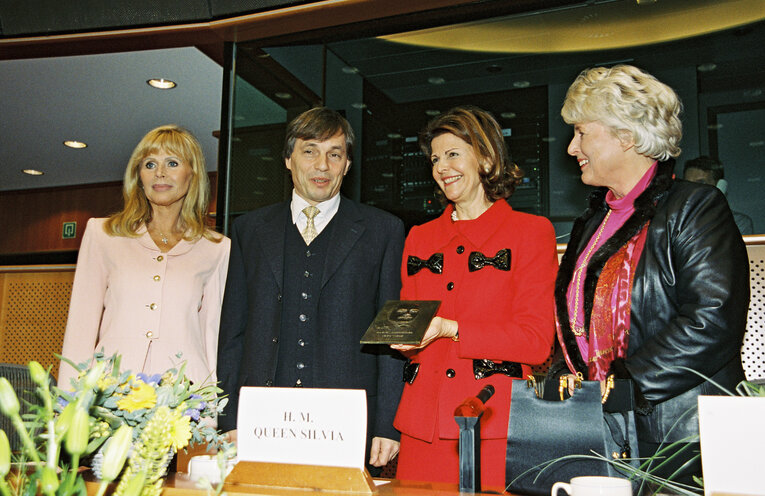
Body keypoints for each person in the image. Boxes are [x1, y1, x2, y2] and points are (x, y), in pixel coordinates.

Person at [553, 65, 749, 485]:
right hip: (604, 434)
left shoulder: (695, 207)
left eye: (582, 133)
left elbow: (712, 319)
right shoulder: (591, 222)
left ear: (626, 135)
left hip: (678, 438)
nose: (572, 147)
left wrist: (624, 383)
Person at [216, 107, 405, 470]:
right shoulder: (248, 231)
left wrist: (387, 424)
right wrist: (230, 417)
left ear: (347, 165)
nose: (322, 165)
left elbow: (390, 341)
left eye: (335, 154)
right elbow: (233, 334)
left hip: (347, 424)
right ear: (288, 159)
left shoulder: (383, 231)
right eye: (310, 151)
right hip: (263, 420)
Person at [392, 106, 558, 487]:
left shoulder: (530, 233)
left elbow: (536, 343)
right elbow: (413, 331)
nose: (441, 167)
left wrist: (451, 328)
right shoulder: (419, 237)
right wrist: (404, 339)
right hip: (423, 428)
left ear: (486, 157)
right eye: (435, 158)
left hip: (495, 426)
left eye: (453, 154)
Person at [59, 125, 230, 387]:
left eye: (172, 162)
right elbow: (80, 328)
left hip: (184, 394)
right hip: (110, 392)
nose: (159, 172)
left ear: (192, 174)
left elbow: (212, 336)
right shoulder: (103, 234)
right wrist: (68, 405)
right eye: (149, 164)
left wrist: (212, 412)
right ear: (139, 176)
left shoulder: (217, 248)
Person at [683, 156, 754, 235]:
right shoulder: (678, 224)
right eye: (688, 184)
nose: (693, 189)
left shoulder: (739, 223)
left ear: (719, 185)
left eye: (701, 183)